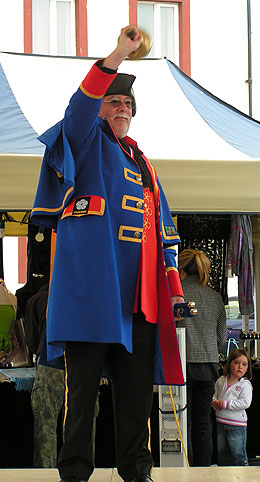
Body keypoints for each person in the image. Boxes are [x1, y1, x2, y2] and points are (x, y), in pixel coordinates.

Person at [31, 25, 185, 482]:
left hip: (139, 304)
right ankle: (75, 474)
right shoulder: (86, 141)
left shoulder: (143, 164)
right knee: (81, 400)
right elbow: (77, 109)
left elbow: (165, 237)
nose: (122, 108)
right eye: (114, 101)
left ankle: (137, 473)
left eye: (127, 105)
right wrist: (118, 53)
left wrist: (173, 291)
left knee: (136, 400)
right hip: (91, 301)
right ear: (101, 108)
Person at [177, 249, 227, 467]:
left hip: (181, 367)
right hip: (208, 367)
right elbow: (221, 338)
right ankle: (204, 471)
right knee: (203, 423)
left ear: (181, 270)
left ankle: (182, 470)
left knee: (181, 422)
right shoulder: (215, 298)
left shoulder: (176, 296)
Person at [212, 348, 253, 466]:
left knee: (238, 455)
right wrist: (214, 402)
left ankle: (243, 476)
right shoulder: (221, 381)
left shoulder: (245, 385)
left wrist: (225, 404)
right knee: (222, 454)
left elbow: (245, 402)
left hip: (237, 426)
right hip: (221, 423)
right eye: (236, 363)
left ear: (247, 368)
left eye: (244, 364)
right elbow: (215, 394)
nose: (240, 367)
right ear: (229, 364)